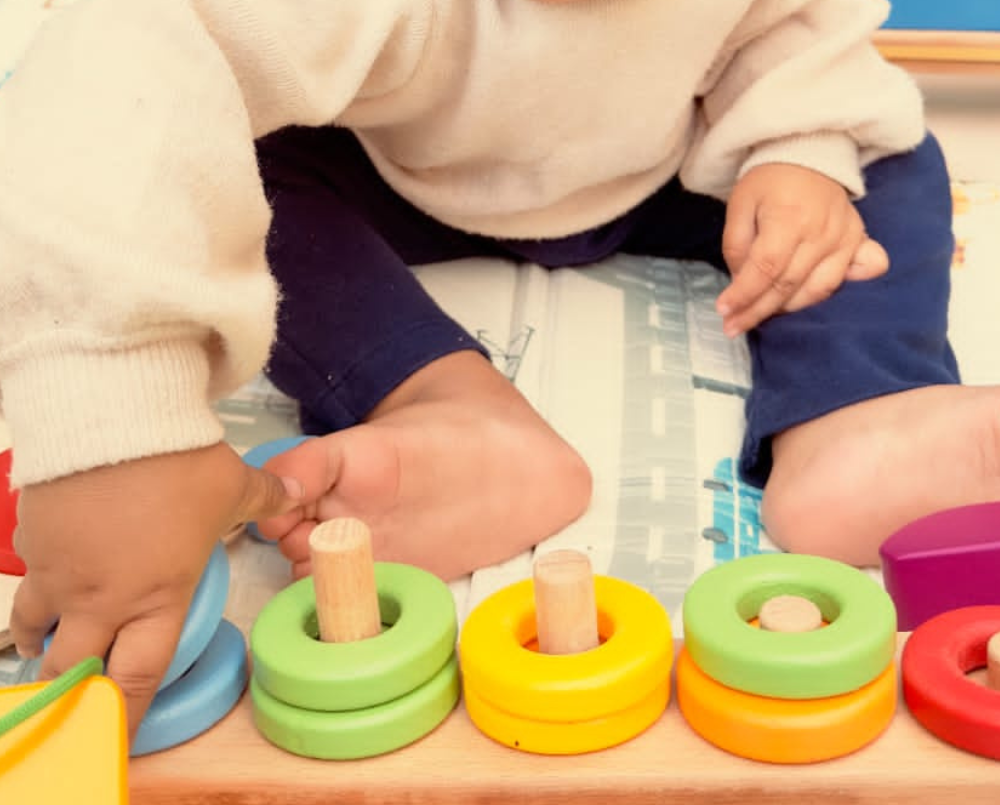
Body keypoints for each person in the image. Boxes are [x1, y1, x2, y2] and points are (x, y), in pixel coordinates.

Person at [0, 0, 993, 742]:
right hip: (397, 175)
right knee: (239, 179)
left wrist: (797, 149)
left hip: (675, 163)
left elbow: (790, 28)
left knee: (886, 157)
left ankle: (859, 409)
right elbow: (137, 55)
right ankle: (444, 400)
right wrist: (111, 414)